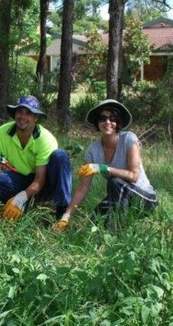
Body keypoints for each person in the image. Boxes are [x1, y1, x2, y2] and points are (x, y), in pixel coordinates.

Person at [55, 99, 157, 231]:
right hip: (120, 198)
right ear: (97, 123)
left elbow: (134, 176)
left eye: (112, 118)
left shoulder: (129, 139)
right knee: (90, 224)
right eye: (102, 118)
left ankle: (116, 235)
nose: (107, 122)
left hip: (145, 199)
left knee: (114, 182)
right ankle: (109, 228)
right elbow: (83, 187)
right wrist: (66, 216)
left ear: (118, 122)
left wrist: (102, 168)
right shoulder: (93, 150)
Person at [0, 95, 72, 221]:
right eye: (19, 112)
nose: (22, 117)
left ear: (36, 118)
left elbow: (40, 179)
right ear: (15, 114)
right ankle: (17, 209)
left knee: (60, 156)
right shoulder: (2, 132)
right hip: (19, 178)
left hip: (44, 183)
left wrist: (21, 196)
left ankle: (62, 212)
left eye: (28, 113)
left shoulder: (45, 139)